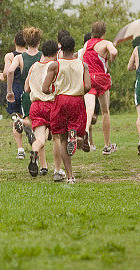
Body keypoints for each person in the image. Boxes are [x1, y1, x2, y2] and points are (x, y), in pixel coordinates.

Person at [42, 35, 91, 184]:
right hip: (77, 100)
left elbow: (44, 88)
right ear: (74, 47)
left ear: (60, 48)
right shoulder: (83, 65)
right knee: (79, 134)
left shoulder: (55, 65)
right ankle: (75, 138)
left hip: (61, 100)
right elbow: (88, 86)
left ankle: (70, 176)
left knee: (62, 140)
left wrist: (55, 89)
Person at [6, 27, 46, 175]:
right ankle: (43, 166)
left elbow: (10, 71)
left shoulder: (19, 57)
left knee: (35, 127)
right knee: (42, 129)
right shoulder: (43, 55)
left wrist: (9, 91)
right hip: (42, 95)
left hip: (26, 96)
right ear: (39, 41)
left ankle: (21, 122)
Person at [23, 40, 61, 178]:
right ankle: (57, 169)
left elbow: (26, 89)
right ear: (56, 53)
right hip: (50, 105)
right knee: (56, 138)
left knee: (40, 140)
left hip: (35, 106)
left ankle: (35, 154)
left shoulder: (34, 66)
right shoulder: (54, 66)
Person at [81, 21, 118, 155]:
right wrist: (112, 56)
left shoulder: (87, 44)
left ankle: (85, 130)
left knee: (89, 109)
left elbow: (82, 60)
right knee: (105, 111)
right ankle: (107, 145)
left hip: (88, 78)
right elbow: (114, 52)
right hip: (101, 79)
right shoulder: (106, 43)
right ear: (104, 32)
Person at [1, 31, 27, 159]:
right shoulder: (30, 54)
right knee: (30, 117)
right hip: (28, 87)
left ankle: (20, 149)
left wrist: (2, 76)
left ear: (15, 41)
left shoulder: (10, 56)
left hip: (15, 87)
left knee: (16, 117)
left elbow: (7, 71)